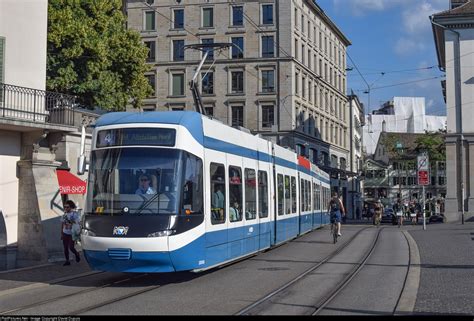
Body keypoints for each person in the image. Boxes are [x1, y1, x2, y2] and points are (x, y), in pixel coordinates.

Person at [60, 200, 81, 266]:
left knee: (71, 247)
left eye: (67, 207)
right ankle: (67, 261)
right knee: (65, 247)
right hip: (65, 232)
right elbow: (62, 224)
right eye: (65, 207)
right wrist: (61, 233)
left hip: (72, 233)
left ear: (71, 207)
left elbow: (77, 223)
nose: (66, 208)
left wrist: (72, 222)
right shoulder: (64, 215)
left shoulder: (74, 214)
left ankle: (77, 254)